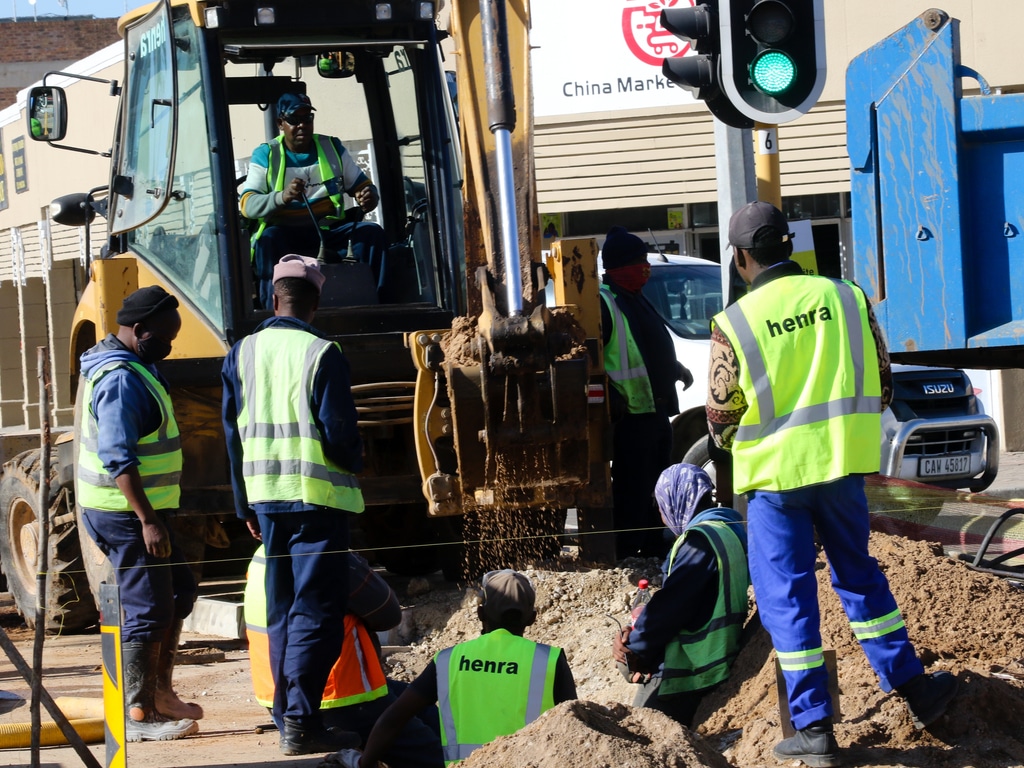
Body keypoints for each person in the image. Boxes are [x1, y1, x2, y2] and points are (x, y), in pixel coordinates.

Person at [707, 201, 958, 765]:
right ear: (788, 246)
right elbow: (885, 381)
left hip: (775, 482)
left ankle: (815, 729)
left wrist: (740, 444)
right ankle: (917, 691)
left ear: (741, 257)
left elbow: (721, 420)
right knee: (860, 578)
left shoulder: (736, 322)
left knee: (788, 597)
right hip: (842, 467)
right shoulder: (847, 297)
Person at [221, 254, 365, 755]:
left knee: (282, 610)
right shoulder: (321, 352)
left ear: (271, 298)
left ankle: (288, 717)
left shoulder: (240, 352)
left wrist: (244, 503)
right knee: (316, 612)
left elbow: (232, 435)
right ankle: (301, 723)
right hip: (316, 503)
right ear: (316, 302)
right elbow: (340, 433)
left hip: (265, 501)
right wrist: (356, 462)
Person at [77, 285, 200, 742]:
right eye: (164, 337)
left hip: (142, 511)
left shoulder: (136, 365)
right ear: (139, 329)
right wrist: (147, 519)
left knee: (180, 591)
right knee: (148, 609)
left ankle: (160, 693)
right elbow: (118, 457)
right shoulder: (121, 379)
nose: (169, 345)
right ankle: (139, 712)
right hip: (125, 514)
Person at [244, 546, 444, 767]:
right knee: (438, 758)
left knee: (420, 706)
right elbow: (388, 614)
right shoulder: (325, 554)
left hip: (280, 700)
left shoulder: (263, 554)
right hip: (342, 697)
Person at [356, 569, 577, 767]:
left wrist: (365, 763)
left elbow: (392, 719)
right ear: (532, 619)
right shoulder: (550, 660)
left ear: (480, 614)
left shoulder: (448, 659)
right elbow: (574, 727)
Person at [612, 462, 749, 729]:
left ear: (676, 502)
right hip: (723, 652)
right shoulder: (728, 528)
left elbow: (673, 608)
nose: (663, 518)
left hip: (693, 672)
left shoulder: (698, 542)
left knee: (640, 733)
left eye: (662, 509)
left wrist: (634, 648)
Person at [241, 92, 389, 308]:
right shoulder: (267, 154)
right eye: (294, 120)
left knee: (371, 234)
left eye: (307, 118)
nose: (302, 125)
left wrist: (369, 196)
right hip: (285, 234)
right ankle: (270, 314)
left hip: (327, 232)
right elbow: (248, 205)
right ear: (280, 123)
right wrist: (282, 197)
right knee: (268, 241)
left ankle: (382, 307)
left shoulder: (331, 148)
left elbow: (363, 186)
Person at [599, 226, 694, 559]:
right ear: (620, 266)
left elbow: (646, 345)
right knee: (633, 488)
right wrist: (612, 394)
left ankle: (653, 545)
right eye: (638, 261)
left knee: (657, 485)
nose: (645, 267)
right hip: (631, 416)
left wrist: (675, 367)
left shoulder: (635, 297)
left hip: (655, 410)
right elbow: (596, 359)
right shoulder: (604, 301)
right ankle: (628, 551)